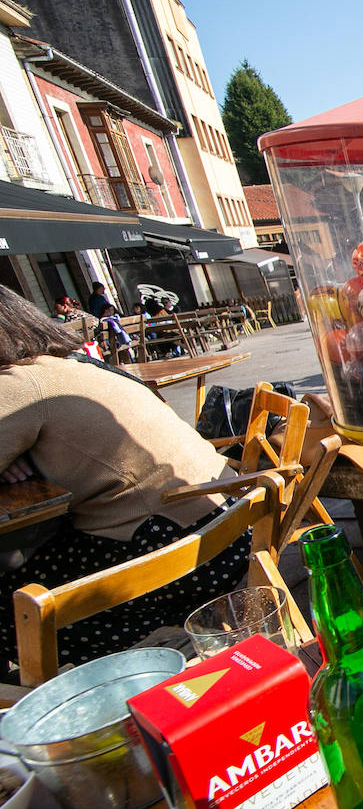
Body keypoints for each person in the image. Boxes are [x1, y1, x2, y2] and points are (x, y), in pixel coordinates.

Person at [0, 286, 246, 670]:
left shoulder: (18, 385)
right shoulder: (74, 363)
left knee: (9, 602)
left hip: (174, 562)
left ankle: (48, 706)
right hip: (231, 530)